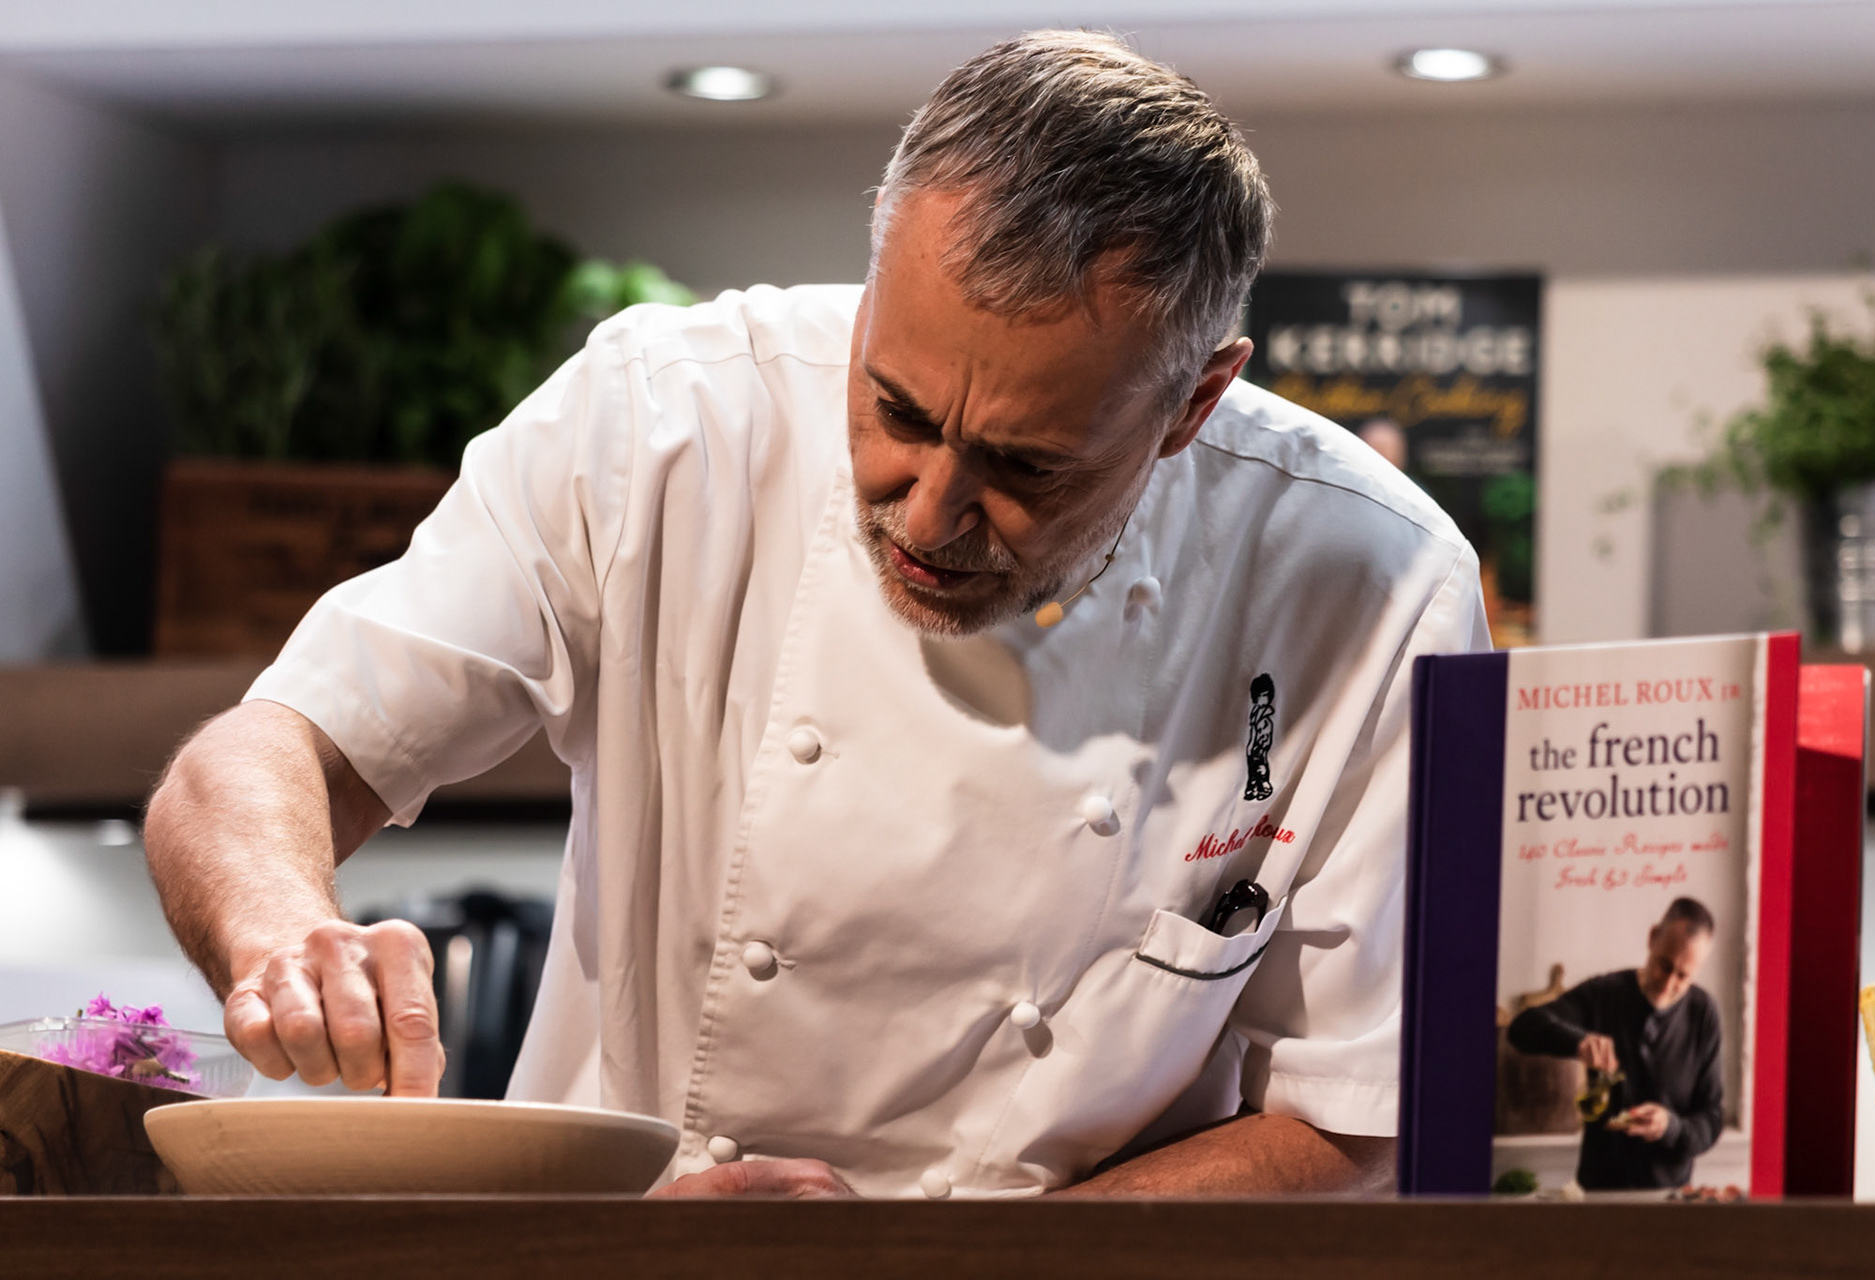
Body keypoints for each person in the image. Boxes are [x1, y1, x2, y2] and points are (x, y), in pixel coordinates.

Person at [144, 31, 1488, 1199]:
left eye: (1026, 465)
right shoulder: (663, 421)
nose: (928, 512)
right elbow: (269, 753)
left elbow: (1362, 1125)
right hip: (632, 1259)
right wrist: (279, 932)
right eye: (898, 411)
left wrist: (926, 1266)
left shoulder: (1376, 581)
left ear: (1195, 401)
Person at [1506, 898, 1725, 1190]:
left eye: (1683, 977)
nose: (1668, 983)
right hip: (1599, 1194)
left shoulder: (1704, 1013)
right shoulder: (1604, 993)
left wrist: (1670, 1127)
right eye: (1664, 965)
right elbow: (1522, 1028)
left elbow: (1711, 1118)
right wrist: (1578, 1042)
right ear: (1652, 939)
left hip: (1669, 1200)